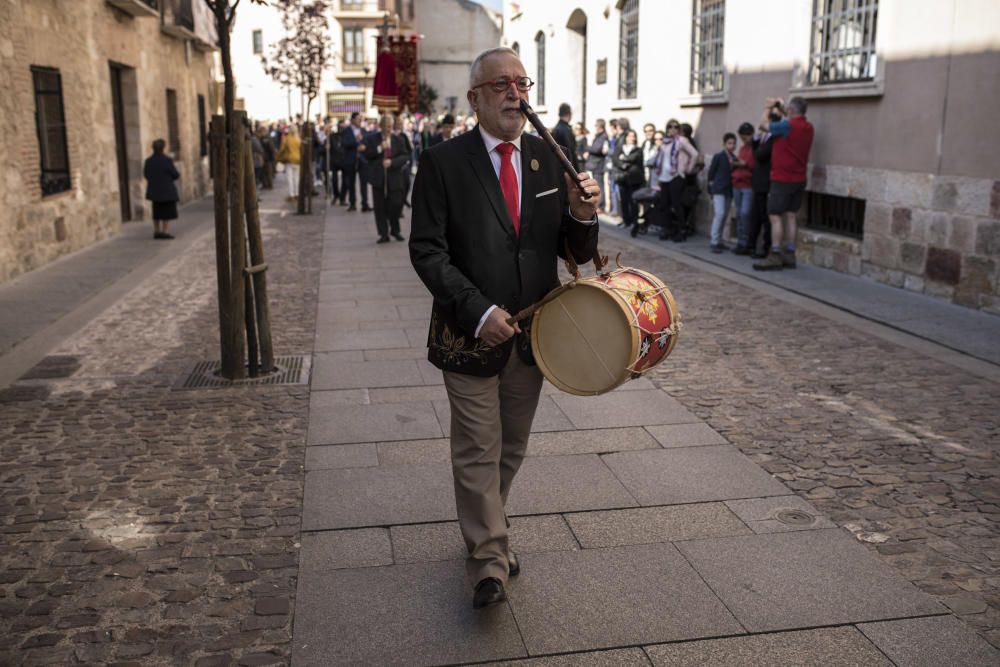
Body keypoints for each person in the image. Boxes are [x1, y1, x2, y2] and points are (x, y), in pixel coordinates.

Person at [409, 46, 600, 611]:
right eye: (501, 85)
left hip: (532, 334)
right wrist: (477, 311)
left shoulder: (547, 156)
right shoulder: (444, 163)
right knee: (476, 447)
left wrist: (583, 214)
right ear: (474, 98)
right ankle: (488, 559)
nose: (516, 94)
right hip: (467, 335)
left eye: (523, 82)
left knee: (509, 448)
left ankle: (488, 527)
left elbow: (573, 251)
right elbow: (427, 252)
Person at [754, 96, 814, 271]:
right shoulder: (808, 127)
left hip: (782, 178)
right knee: (791, 215)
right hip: (799, 178)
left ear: (792, 111)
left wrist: (768, 107)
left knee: (775, 216)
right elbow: (788, 123)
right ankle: (790, 253)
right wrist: (782, 109)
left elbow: (763, 125)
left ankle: (775, 254)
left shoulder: (787, 126)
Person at [364, 114, 409, 243]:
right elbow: (367, 155)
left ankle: (395, 230)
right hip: (378, 178)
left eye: (390, 126)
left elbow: (405, 156)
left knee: (395, 204)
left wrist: (392, 162)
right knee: (379, 207)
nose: (389, 129)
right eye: (386, 126)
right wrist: (379, 148)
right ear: (381, 126)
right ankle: (383, 233)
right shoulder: (373, 139)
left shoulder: (398, 139)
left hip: (394, 177)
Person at [652, 119, 698, 241]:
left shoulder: (681, 141)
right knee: (664, 204)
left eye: (675, 127)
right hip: (664, 177)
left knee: (677, 205)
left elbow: (694, 154)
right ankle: (667, 228)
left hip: (676, 176)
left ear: (678, 129)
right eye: (670, 127)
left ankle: (681, 230)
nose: (672, 129)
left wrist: (687, 169)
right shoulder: (665, 143)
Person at [143, 138, 180, 240]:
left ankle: (157, 231)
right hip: (167, 190)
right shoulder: (167, 160)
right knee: (166, 212)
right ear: (163, 148)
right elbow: (175, 174)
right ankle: (165, 231)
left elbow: (146, 174)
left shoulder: (148, 161)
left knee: (157, 211)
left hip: (155, 191)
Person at [706, 132, 736, 252]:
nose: (732, 146)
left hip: (728, 190)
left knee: (724, 216)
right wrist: (710, 187)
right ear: (724, 144)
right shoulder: (719, 156)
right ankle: (714, 240)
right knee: (719, 213)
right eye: (729, 143)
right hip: (718, 189)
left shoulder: (734, 158)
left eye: (734, 143)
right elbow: (711, 173)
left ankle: (719, 240)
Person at [612, 128, 645, 237]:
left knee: (633, 202)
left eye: (633, 136)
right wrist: (622, 164)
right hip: (622, 179)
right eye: (630, 136)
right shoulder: (621, 148)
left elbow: (634, 158)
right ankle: (626, 220)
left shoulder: (638, 149)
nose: (632, 138)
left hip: (634, 180)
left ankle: (635, 223)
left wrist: (624, 158)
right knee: (624, 201)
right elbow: (615, 159)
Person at [748, 127, 774, 258]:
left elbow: (759, 155)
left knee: (765, 217)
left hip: (765, 184)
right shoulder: (764, 138)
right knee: (755, 215)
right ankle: (751, 244)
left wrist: (756, 145)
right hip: (758, 183)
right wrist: (756, 140)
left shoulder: (772, 139)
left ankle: (765, 247)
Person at [731, 122, 756, 254]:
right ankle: (741, 242)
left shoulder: (755, 148)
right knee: (739, 214)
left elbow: (754, 165)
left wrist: (744, 164)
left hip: (748, 184)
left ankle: (746, 242)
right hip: (737, 183)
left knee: (745, 213)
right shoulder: (742, 148)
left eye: (745, 137)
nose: (744, 140)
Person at [340, 112, 366, 211]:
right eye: (358, 119)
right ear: (353, 120)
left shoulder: (363, 130)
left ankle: (365, 203)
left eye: (361, 119)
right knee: (351, 182)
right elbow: (344, 143)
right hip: (350, 160)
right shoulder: (346, 131)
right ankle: (352, 203)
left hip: (362, 160)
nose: (360, 121)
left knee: (363, 182)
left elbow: (367, 142)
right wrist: (356, 141)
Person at [584, 118, 609, 213]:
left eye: (596, 126)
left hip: (599, 165)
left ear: (600, 127)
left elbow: (597, 149)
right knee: (597, 185)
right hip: (595, 164)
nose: (595, 128)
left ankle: (601, 206)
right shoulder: (599, 136)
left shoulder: (603, 136)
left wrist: (587, 148)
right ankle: (599, 205)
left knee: (600, 186)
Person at [275, 124, 301, 202]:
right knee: (296, 178)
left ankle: (291, 195)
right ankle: (297, 194)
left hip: (289, 160)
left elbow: (282, 149)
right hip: (298, 160)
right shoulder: (298, 139)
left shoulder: (286, 139)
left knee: (290, 178)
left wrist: (277, 158)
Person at [553, 103, 577, 170]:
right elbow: (570, 150)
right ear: (569, 114)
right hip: (566, 167)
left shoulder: (557, 128)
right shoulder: (565, 129)